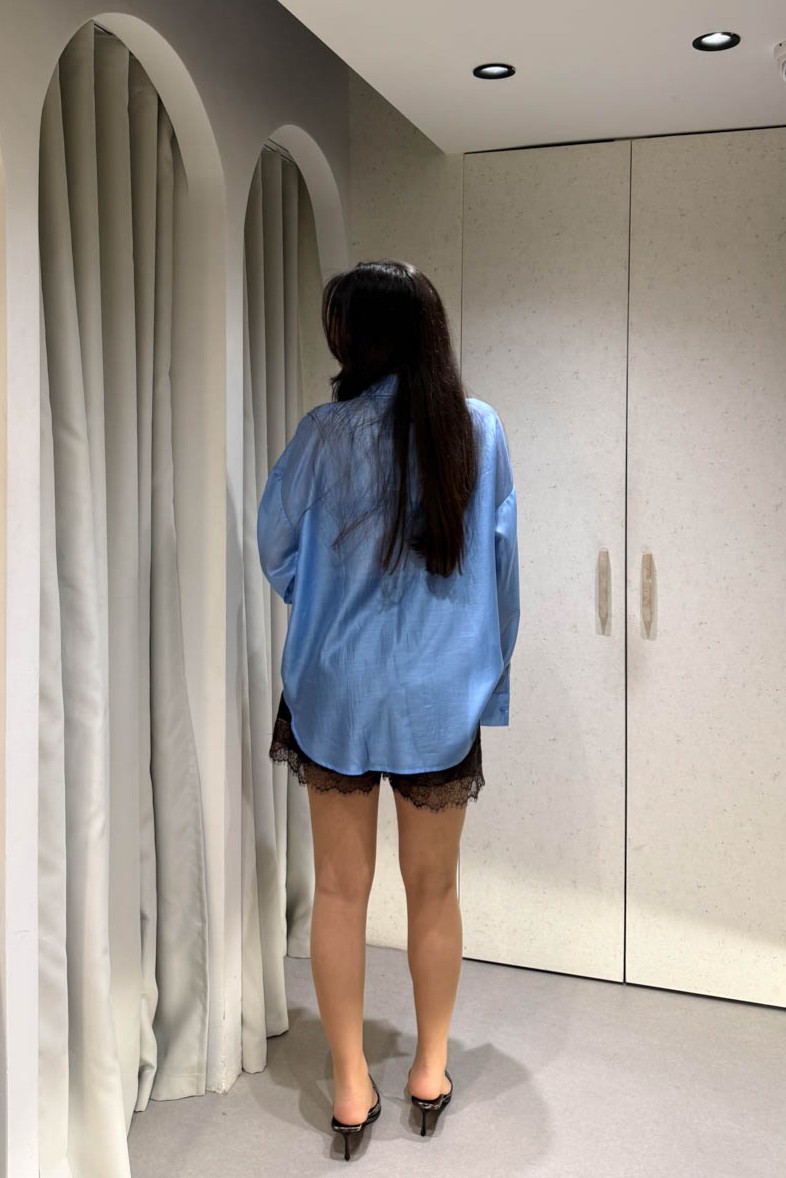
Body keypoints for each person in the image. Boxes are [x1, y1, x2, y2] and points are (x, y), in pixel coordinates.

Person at [257, 259, 520, 1159]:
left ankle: (349, 1084)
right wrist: (487, 679)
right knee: (434, 888)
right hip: (439, 695)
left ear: (356, 339)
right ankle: (430, 1070)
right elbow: (501, 571)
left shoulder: (322, 434)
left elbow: (275, 546)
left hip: (336, 687)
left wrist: (328, 600)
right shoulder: (478, 430)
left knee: (339, 889)